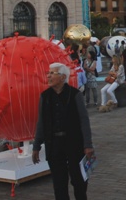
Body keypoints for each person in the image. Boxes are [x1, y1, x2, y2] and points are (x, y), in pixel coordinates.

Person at [32, 63, 94, 200]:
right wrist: (36, 146)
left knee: (79, 182)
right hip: (54, 145)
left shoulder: (75, 94)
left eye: (52, 73)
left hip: (74, 143)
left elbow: (84, 120)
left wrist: (88, 145)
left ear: (62, 77)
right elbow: (41, 123)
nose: (48, 76)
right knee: (59, 184)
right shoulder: (45, 96)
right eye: (48, 73)